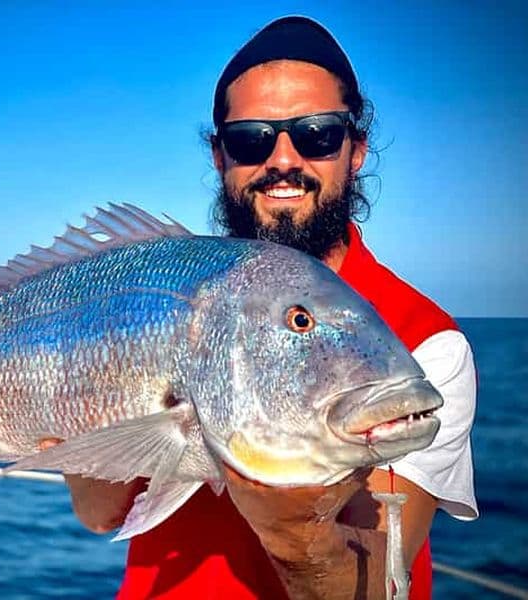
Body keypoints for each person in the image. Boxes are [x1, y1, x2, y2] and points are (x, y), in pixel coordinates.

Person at [65, 16, 478, 599]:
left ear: (355, 150)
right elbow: (100, 515)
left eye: (316, 134)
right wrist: (76, 392)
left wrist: (287, 524)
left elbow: (377, 586)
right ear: (220, 157)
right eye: (251, 139)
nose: (283, 160)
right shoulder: (157, 302)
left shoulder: (424, 345)